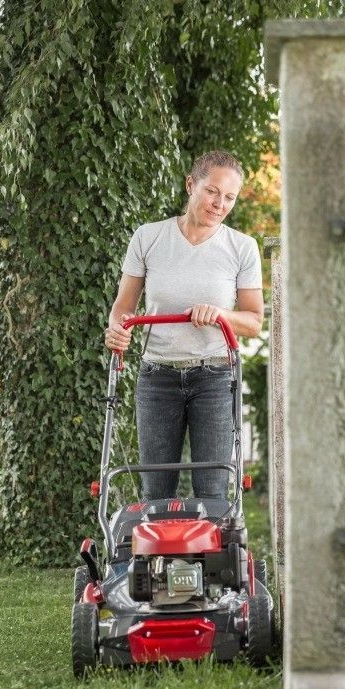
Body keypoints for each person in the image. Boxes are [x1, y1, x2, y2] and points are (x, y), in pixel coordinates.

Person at [103, 150, 264, 499]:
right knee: (156, 491)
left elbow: (253, 322)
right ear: (191, 185)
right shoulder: (148, 237)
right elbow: (123, 308)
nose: (219, 204)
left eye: (229, 197)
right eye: (212, 191)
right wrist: (116, 328)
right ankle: (159, 539)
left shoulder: (242, 247)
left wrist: (220, 314)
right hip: (157, 377)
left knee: (213, 491)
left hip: (215, 378)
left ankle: (212, 538)